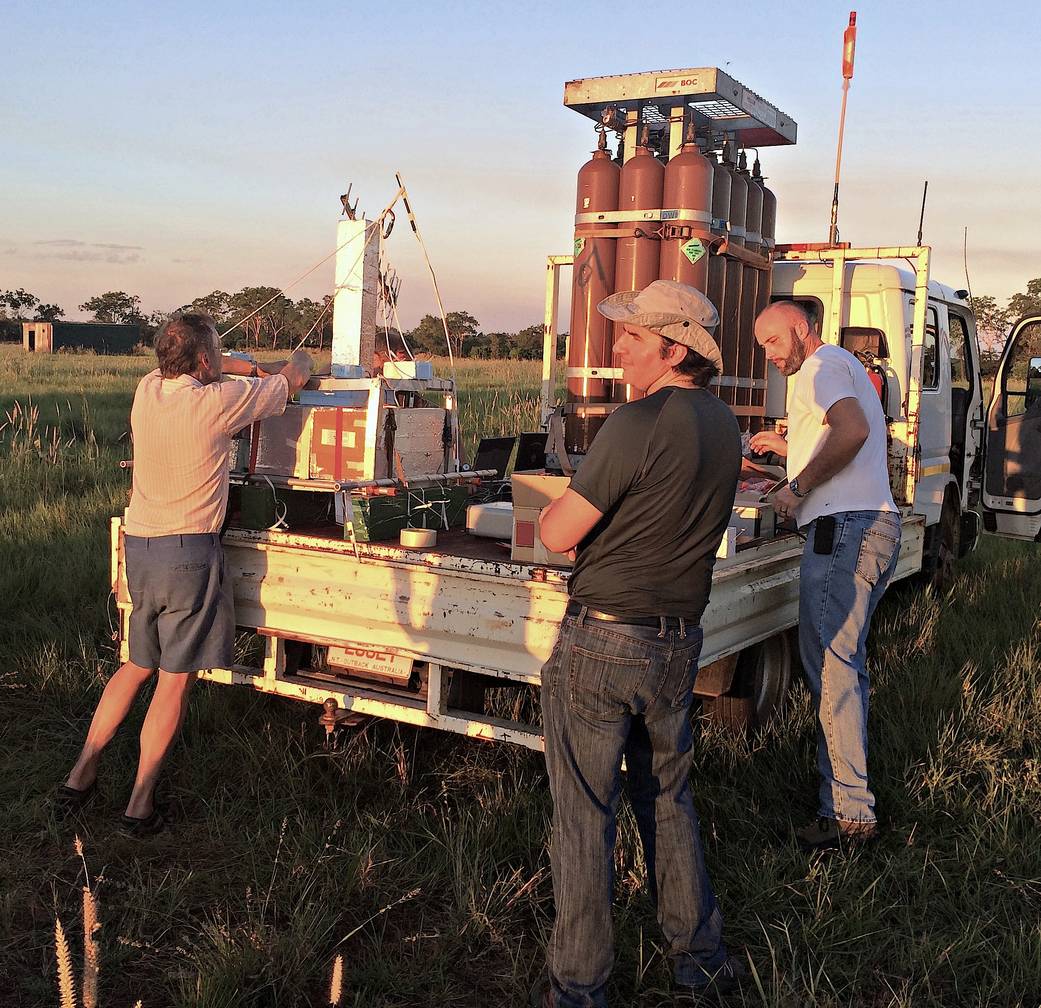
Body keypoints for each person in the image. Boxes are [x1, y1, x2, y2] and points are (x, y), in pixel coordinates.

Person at [533, 280, 744, 1007]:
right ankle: (700, 959)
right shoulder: (723, 424)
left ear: (673, 346)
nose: (616, 348)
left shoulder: (637, 422)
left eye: (631, 336)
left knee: (584, 814)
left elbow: (558, 535)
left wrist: (558, 512)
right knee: (667, 798)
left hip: (603, 640)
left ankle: (580, 987)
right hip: (677, 638)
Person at [56, 313, 313, 836]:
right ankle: (140, 804)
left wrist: (235, 361)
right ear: (202, 362)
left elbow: (226, 367)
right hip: (188, 553)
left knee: (135, 666)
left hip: (141, 547)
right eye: (214, 353)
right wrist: (300, 360)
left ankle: (80, 775)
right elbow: (294, 378)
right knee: (173, 683)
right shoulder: (218, 403)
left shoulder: (148, 389)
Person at [751, 300, 900, 852]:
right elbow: (845, 441)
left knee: (834, 672)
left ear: (799, 330)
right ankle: (848, 802)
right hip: (866, 526)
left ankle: (848, 814)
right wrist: (789, 458)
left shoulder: (819, 367)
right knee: (844, 667)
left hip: (846, 532)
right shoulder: (840, 365)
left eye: (771, 342)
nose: (768, 357)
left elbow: (854, 430)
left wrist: (796, 487)